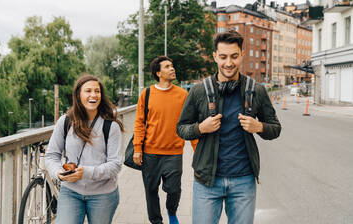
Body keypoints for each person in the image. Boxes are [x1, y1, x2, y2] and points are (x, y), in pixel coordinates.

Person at [177, 31, 281, 224]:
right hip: (207, 181)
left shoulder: (256, 90)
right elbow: (181, 128)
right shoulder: (199, 91)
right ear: (215, 56)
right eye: (223, 57)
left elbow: (275, 128)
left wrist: (259, 126)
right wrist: (200, 128)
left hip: (244, 181)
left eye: (234, 56)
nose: (228, 63)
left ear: (242, 54)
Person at [45, 74, 124, 224]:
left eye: (97, 91)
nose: (93, 95)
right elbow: (52, 155)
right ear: (78, 95)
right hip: (71, 191)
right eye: (88, 91)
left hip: (103, 194)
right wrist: (58, 173)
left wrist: (86, 172)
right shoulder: (65, 121)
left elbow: (115, 165)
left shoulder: (111, 126)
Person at [133, 56, 190, 224]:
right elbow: (139, 122)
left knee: (174, 190)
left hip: (174, 152)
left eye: (172, 66)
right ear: (158, 73)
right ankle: (156, 221)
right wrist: (137, 148)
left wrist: (197, 149)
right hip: (150, 153)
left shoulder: (183, 95)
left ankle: (172, 212)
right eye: (167, 66)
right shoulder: (147, 94)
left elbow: (189, 123)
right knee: (151, 190)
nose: (172, 69)